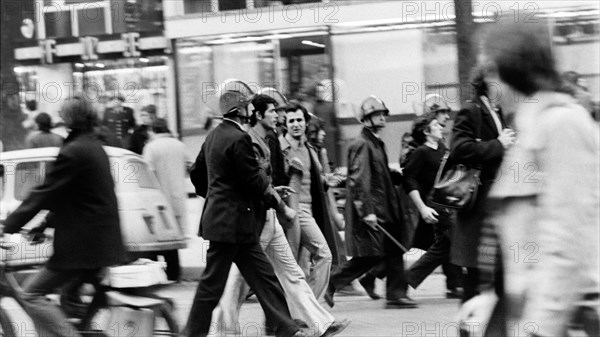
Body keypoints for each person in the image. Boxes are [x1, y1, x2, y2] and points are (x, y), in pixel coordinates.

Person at [459, 19, 600, 337]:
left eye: (492, 71)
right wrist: (493, 299)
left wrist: (539, 328)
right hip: (536, 315)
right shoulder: (528, 128)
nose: (487, 82)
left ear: (515, 69)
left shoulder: (562, 123)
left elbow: (569, 240)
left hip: (565, 319)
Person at [213, 94, 350, 337]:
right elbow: (254, 181)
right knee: (238, 279)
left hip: (268, 216)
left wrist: (275, 192)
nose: (279, 116)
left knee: (292, 272)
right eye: (273, 112)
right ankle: (222, 329)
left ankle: (320, 323)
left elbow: (265, 180)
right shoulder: (249, 141)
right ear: (258, 115)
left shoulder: (268, 140)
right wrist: (281, 205)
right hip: (255, 218)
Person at [186, 80, 309, 337]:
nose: (252, 109)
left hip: (232, 224)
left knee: (264, 278)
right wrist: (281, 206)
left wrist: (214, 195)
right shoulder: (239, 138)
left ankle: (286, 328)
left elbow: (196, 172)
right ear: (241, 110)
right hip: (231, 225)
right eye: (249, 106)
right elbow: (254, 181)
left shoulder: (213, 135)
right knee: (213, 285)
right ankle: (190, 333)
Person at [1, 97, 127, 337]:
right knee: (62, 300)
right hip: (100, 241)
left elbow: (44, 193)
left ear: (70, 118)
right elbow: (73, 196)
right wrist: (42, 225)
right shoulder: (92, 146)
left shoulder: (74, 151)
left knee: (31, 294)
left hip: (84, 246)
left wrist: (8, 225)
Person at [325, 95, 415, 309]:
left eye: (383, 114)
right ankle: (331, 282)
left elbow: (377, 174)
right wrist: (367, 212)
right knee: (370, 255)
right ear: (366, 119)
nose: (382, 118)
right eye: (377, 115)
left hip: (385, 208)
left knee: (392, 250)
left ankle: (395, 294)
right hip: (374, 209)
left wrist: (395, 174)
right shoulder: (362, 144)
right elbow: (358, 180)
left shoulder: (375, 142)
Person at [449, 62, 516, 303]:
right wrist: (498, 144)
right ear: (486, 82)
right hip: (477, 208)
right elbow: (458, 149)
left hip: (494, 207)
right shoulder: (471, 110)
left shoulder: (497, 112)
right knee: (475, 284)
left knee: (497, 281)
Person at [279, 103, 341, 300]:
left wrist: (326, 181)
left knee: (303, 266)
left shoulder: (310, 149)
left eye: (299, 120)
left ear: (305, 123)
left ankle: (306, 312)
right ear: (286, 124)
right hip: (290, 210)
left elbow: (315, 179)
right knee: (321, 255)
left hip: (310, 210)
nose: (296, 125)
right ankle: (309, 312)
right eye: (291, 121)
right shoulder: (280, 148)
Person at [402, 113, 462, 298]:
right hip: (435, 205)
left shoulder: (443, 148)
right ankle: (460, 284)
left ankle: (407, 279)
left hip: (448, 203)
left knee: (444, 246)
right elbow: (408, 180)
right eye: (436, 125)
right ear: (426, 131)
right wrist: (422, 208)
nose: (441, 127)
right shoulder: (421, 152)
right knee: (454, 240)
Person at [143, 118, 187, 281]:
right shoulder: (179, 145)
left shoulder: (150, 147)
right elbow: (190, 165)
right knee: (173, 238)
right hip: (177, 197)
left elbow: (147, 172)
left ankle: (156, 274)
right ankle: (174, 273)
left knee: (155, 237)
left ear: (153, 130)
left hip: (157, 198)